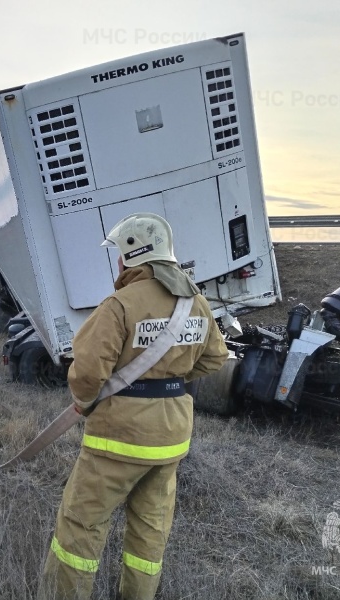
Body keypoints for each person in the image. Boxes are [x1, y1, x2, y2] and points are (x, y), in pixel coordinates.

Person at [40, 213, 229, 600]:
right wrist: (168, 379)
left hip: (118, 439)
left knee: (81, 527)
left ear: (129, 256)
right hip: (171, 441)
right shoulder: (197, 303)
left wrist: (88, 402)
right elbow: (215, 359)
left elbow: (87, 373)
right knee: (150, 531)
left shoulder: (119, 304)